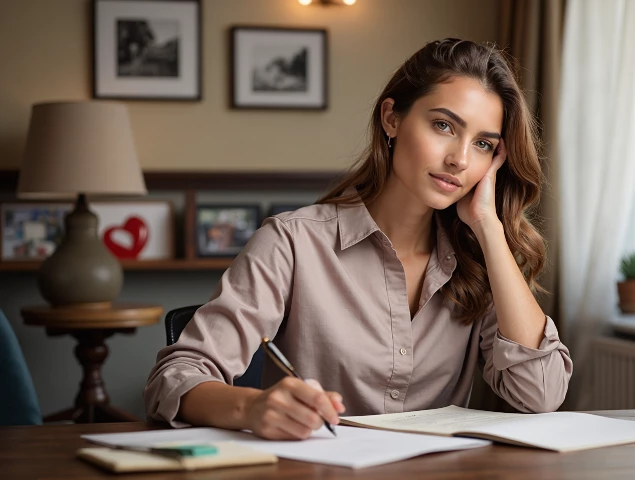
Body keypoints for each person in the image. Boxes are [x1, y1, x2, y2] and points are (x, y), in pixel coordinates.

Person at [144, 38, 573, 440]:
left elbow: (539, 394)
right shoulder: (292, 243)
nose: (459, 159)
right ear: (392, 118)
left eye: (482, 144)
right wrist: (253, 407)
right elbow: (177, 376)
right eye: (443, 125)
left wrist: (490, 229)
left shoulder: (480, 257)